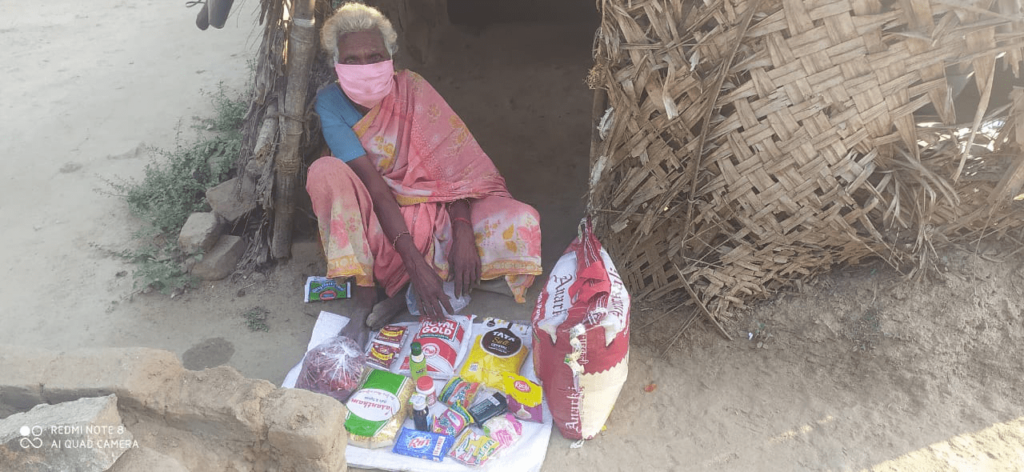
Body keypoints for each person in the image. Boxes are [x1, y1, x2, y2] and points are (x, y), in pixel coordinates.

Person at [306, 4, 542, 341]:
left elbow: (454, 172)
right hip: (374, 217)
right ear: (336, 65)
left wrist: (462, 231)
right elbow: (375, 189)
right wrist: (416, 264)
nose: (364, 65)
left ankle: (406, 292)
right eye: (352, 59)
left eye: (374, 56)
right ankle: (367, 296)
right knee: (324, 171)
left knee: (521, 221)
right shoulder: (329, 102)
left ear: (390, 59)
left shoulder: (413, 89)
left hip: (436, 208)